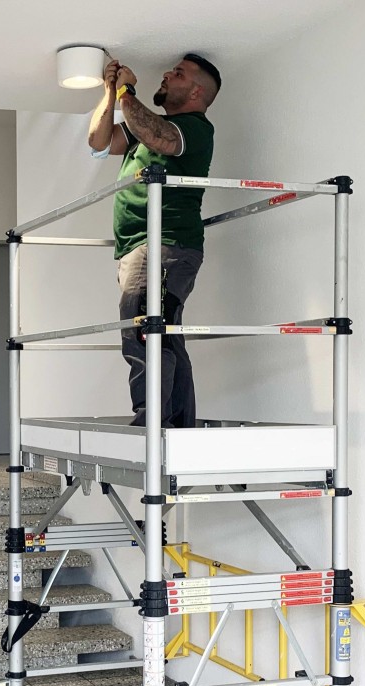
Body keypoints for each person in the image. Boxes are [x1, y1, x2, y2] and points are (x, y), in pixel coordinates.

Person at [88, 53, 220, 428]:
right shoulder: (145, 126)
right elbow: (98, 141)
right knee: (162, 335)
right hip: (144, 247)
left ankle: (151, 425)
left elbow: (160, 137)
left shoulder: (195, 128)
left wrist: (127, 92)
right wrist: (110, 91)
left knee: (143, 333)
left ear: (196, 92)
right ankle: (175, 426)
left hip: (162, 245)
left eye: (178, 73)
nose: (166, 74)